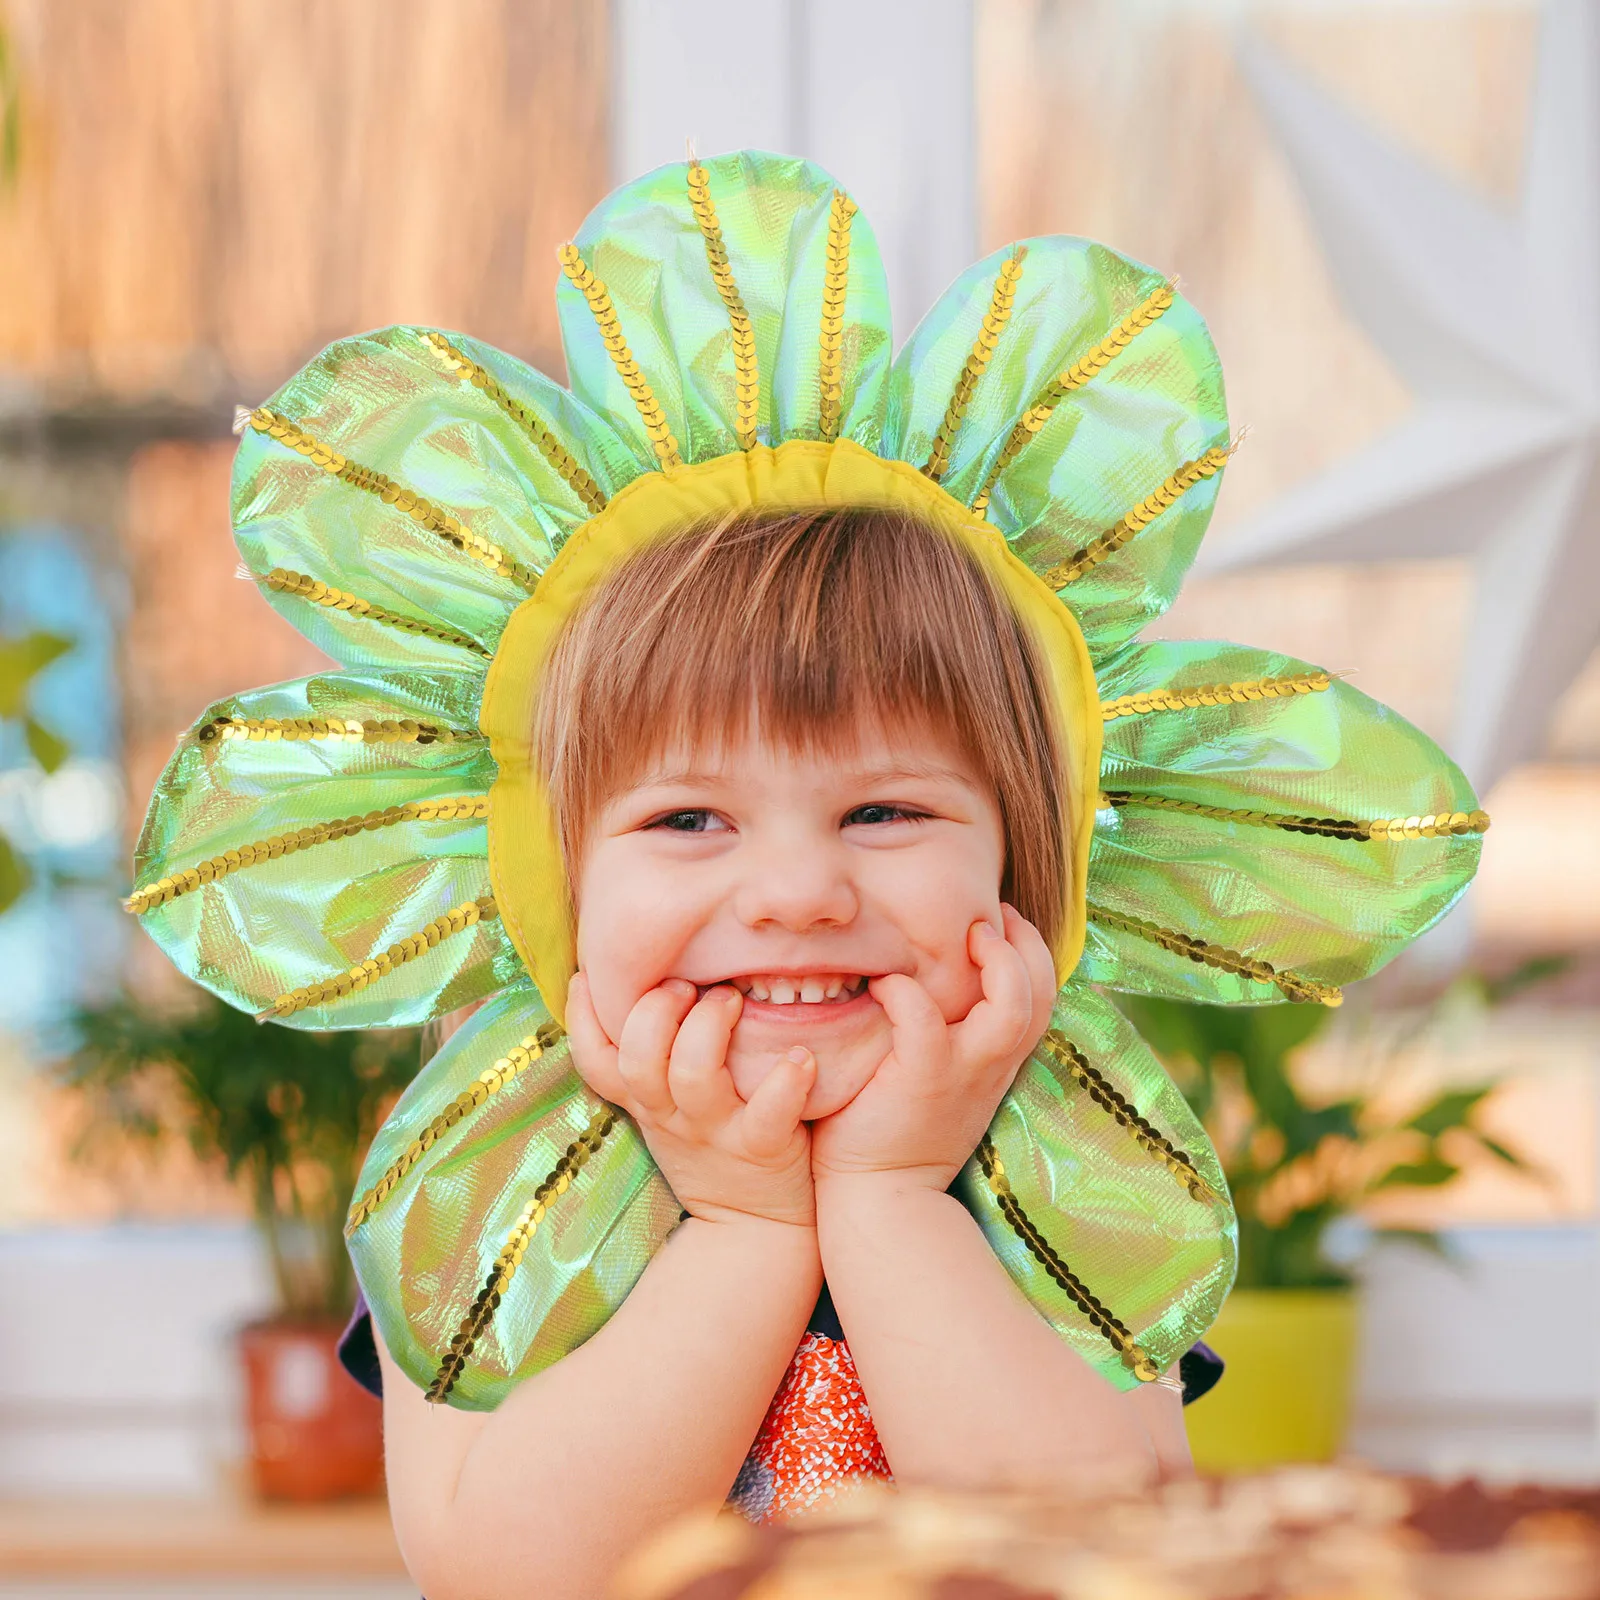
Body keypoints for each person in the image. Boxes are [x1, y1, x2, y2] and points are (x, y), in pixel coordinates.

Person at [127, 151, 1488, 1600]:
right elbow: (505, 1567)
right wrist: (746, 1226)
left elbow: (1106, 1549)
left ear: (1027, 866)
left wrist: (896, 1199)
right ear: (546, 873)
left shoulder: (1052, 1172)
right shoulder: (495, 1180)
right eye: (690, 823)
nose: (795, 894)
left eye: (887, 812)